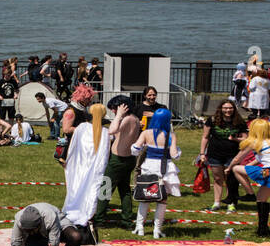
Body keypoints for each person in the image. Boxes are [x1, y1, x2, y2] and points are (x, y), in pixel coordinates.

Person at [230, 118, 270, 236]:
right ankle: (263, 229)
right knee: (261, 198)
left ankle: (250, 194)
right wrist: (247, 169)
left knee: (236, 169)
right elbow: (257, 160)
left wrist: (228, 168)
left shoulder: (254, 142)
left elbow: (236, 159)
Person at [131, 107, 182, 238]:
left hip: (149, 167)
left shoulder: (146, 133)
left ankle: (139, 227)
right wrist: (178, 151)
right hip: (165, 168)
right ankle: (156, 230)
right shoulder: (171, 135)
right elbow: (174, 155)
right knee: (162, 200)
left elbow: (135, 149)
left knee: (145, 198)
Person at [62, 102, 109, 231]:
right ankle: (89, 212)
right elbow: (104, 154)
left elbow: (73, 147)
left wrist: (69, 161)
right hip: (94, 167)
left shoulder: (83, 127)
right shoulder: (105, 132)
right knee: (91, 189)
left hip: (80, 165)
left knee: (77, 186)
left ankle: (75, 208)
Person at [95, 100, 141, 230]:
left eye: (114, 108)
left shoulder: (126, 119)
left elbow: (112, 130)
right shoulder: (135, 119)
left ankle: (99, 219)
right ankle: (126, 220)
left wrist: (119, 115)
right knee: (124, 190)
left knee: (106, 188)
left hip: (118, 159)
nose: (113, 111)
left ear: (123, 107)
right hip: (129, 158)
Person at [199, 101, 247, 212]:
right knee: (217, 178)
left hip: (233, 155)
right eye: (225, 108)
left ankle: (231, 203)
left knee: (231, 179)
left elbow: (245, 139)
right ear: (220, 109)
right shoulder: (212, 120)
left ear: (234, 109)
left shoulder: (239, 122)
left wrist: (235, 139)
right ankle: (216, 203)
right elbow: (205, 137)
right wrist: (202, 153)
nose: (228, 110)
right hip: (215, 154)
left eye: (230, 108)